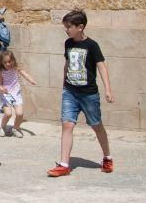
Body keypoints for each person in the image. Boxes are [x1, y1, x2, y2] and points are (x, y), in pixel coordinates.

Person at [48, 10, 114, 177]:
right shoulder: (68, 43)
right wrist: (64, 84)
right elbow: (67, 63)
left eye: (69, 27)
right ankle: (64, 164)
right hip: (70, 91)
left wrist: (107, 89)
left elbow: (101, 66)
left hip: (88, 94)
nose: (66, 30)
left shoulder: (92, 45)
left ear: (80, 27)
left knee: (96, 125)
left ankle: (107, 157)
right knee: (67, 124)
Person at [0, 50, 37, 137]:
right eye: (5, 62)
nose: (8, 64)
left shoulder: (16, 67)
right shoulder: (1, 71)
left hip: (16, 93)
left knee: (19, 113)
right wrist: (2, 88)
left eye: (9, 61)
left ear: (13, 60)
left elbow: (24, 74)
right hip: (6, 94)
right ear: (2, 63)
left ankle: (16, 128)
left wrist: (31, 80)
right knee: (8, 114)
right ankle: (2, 127)